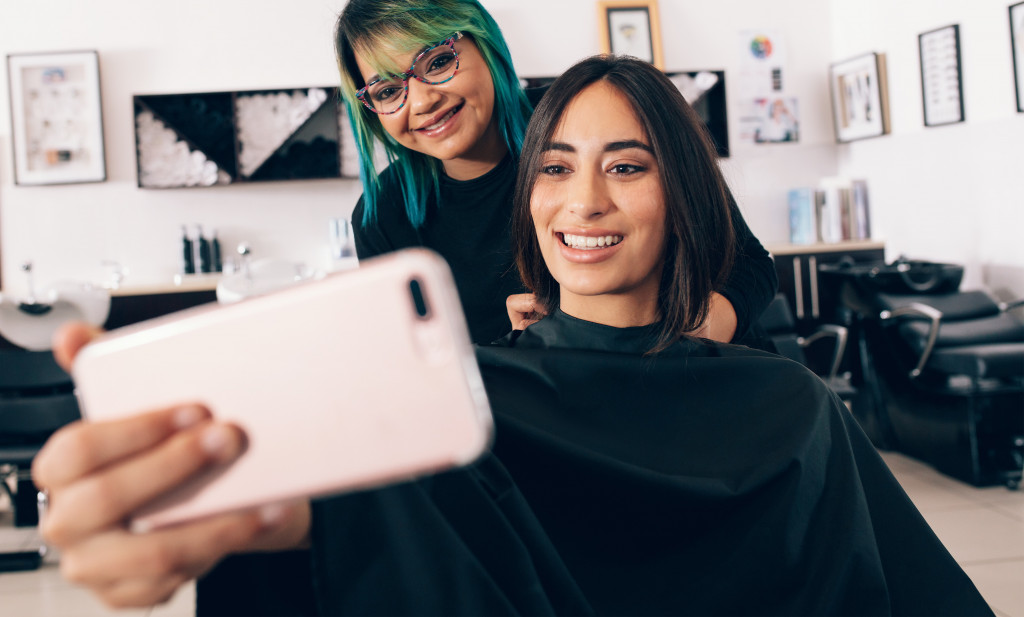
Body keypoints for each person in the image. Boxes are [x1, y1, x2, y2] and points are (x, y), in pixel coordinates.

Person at [34, 54, 991, 616]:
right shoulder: (467, 397)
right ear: (526, 197)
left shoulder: (786, 404)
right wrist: (270, 523)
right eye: (556, 170)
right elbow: (399, 521)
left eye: (628, 166)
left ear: (684, 197)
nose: (584, 201)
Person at [335, 0, 777, 345]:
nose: (422, 101)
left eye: (437, 62)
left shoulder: (588, 114)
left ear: (484, 43)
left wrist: (694, 334)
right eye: (389, 90)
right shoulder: (383, 217)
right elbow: (421, 364)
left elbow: (749, 267)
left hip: (701, 385)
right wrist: (527, 350)